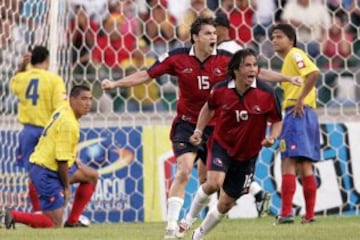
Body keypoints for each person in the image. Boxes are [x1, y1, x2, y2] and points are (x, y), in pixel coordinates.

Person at [102, 17, 299, 239]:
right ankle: (171, 228)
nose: (213, 37)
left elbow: (257, 74)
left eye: (214, 33)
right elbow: (146, 74)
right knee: (185, 169)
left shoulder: (226, 59)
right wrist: (116, 84)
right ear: (195, 37)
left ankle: (191, 223)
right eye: (207, 33)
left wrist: (287, 78)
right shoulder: (178, 57)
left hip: (218, 129)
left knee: (211, 183)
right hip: (187, 124)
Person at [188, 48, 282, 240]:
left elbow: (277, 120)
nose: (252, 69)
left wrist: (272, 137)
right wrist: (198, 130)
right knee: (213, 183)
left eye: (255, 65)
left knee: (226, 204)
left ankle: (197, 235)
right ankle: (187, 219)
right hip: (221, 145)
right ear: (236, 70)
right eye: (247, 65)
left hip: (247, 155)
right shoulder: (221, 90)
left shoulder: (267, 93)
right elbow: (208, 108)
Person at [4, 85, 98, 229]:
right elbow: (61, 161)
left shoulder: (64, 108)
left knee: (91, 176)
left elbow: (63, 155)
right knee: (53, 223)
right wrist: (67, 188)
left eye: (90, 99)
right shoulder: (68, 123)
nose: (88, 103)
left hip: (50, 166)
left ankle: (72, 221)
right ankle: (14, 215)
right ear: (72, 100)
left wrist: (72, 157)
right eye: (83, 99)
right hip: (46, 172)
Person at [214, 10, 270, 218]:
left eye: (213, 29)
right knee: (221, 163)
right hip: (231, 113)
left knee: (216, 161)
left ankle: (229, 205)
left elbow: (254, 76)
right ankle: (255, 193)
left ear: (222, 28)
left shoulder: (228, 51)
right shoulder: (229, 50)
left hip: (230, 114)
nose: (211, 33)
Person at [270, 23, 320, 224]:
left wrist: (299, 99)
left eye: (279, 36)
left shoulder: (294, 54)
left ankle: (286, 213)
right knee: (305, 165)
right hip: (308, 113)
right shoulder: (288, 61)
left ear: (291, 40)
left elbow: (314, 73)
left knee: (288, 161)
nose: (274, 40)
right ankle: (309, 215)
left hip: (297, 111)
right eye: (273, 37)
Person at [9, 46, 67, 212]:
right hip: (46, 132)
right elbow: (61, 108)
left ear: (31, 60)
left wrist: (22, 66)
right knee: (53, 173)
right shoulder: (54, 80)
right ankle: (54, 210)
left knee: (33, 174)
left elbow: (13, 85)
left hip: (27, 131)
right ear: (47, 60)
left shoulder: (22, 78)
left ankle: (37, 212)